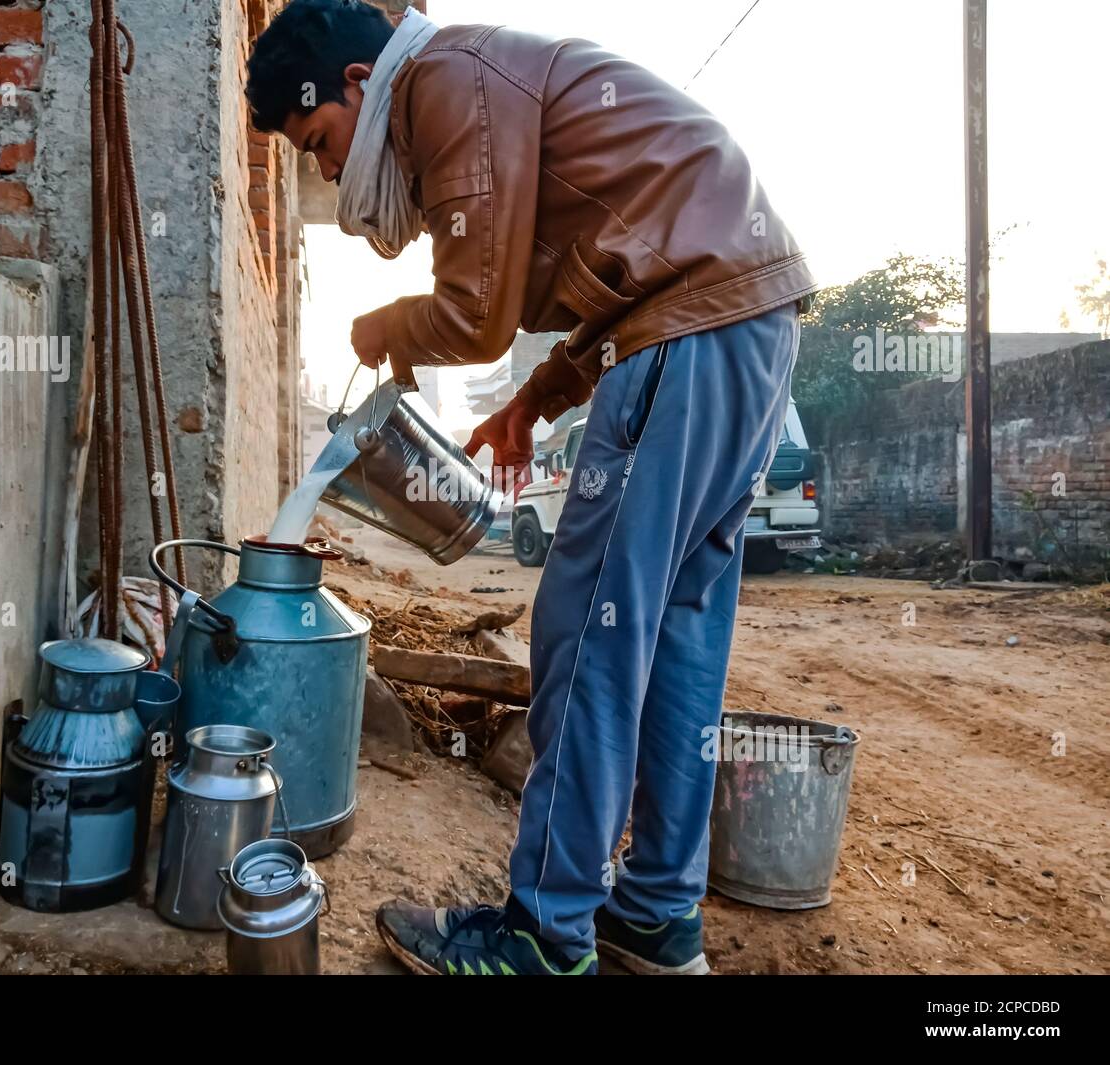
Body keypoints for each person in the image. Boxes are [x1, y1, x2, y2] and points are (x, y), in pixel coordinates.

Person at [247, 0, 815, 976]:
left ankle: (542, 937)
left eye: (320, 142)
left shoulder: (443, 79)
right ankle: (653, 917)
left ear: (355, 84)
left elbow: (474, 316)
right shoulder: (480, 78)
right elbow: (620, 265)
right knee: (672, 636)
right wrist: (538, 401)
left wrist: (382, 329)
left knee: (585, 627)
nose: (327, 170)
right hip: (739, 328)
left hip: (687, 335)